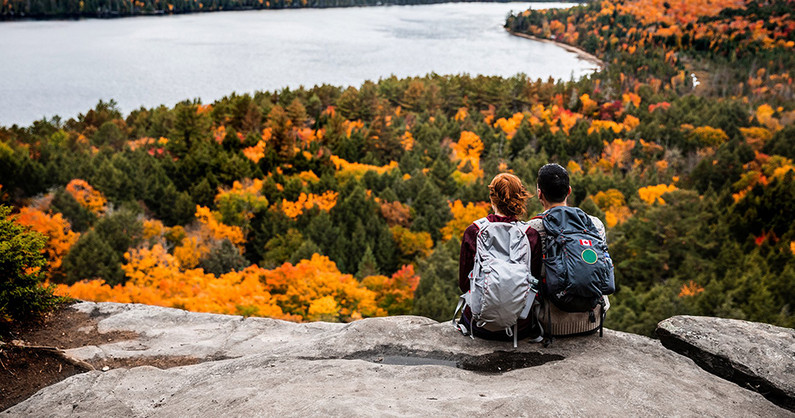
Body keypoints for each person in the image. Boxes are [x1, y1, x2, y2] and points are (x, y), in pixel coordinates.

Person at [457, 172, 543, 341]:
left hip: (478, 324)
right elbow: (533, 282)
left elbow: (464, 284)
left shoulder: (474, 231)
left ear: (492, 199)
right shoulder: (530, 235)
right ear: (520, 199)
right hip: (519, 326)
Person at [527, 163, 609, 337]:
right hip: (592, 320)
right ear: (569, 191)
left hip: (549, 323)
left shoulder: (532, 228)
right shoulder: (595, 225)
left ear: (539, 193)